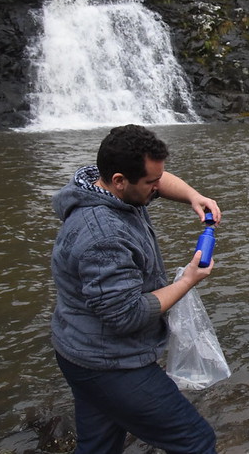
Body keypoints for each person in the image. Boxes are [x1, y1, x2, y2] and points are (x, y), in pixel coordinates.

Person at [50, 124, 223, 454]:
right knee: (197, 441)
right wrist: (187, 280)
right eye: (151, 184)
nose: (158, 188)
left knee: (98, 446)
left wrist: (193, 196)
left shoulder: (96, 182)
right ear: (119, 180)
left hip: (77, 349)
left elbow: (158, 179)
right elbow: (126, 315)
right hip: (109, 363)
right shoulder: (105, 237)